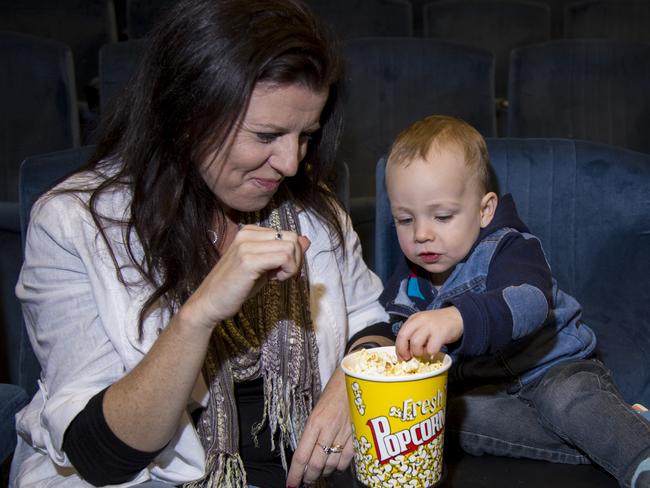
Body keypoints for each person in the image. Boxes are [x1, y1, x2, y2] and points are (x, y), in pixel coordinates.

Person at [10, 1, 393, 486]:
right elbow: (101, 456)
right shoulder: (73, 225)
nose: (291, 163)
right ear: (188, 115)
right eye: (267, 135)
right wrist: (201, 313)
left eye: (306, 136)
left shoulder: (311, 209)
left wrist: (350, 384)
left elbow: (371, 320)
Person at [380, 115, 650, 488]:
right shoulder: (407, 283)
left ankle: (639, 453)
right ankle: (618, 429)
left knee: (567, 401)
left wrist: (457, 318)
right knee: (445, 420)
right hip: (489, 390)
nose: (422, 234)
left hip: (554, 369)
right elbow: (389, 327)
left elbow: (530, 304)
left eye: (442, 216)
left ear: (484, 210)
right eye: (404, 219)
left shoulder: (510, 248)